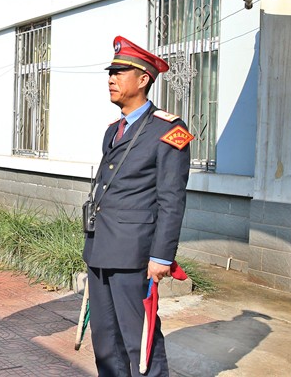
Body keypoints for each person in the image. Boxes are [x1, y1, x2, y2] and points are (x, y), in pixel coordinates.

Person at [83, 36, 193, 376]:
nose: (111, 79)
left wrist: (161, 256)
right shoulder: (112, 131)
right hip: (101, 247)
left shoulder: (168, 130)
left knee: (139, 339)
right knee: (105, 340)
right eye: (110, 72)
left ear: (143, 78)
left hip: (134, 253)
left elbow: (171, 198)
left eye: (120, 72)